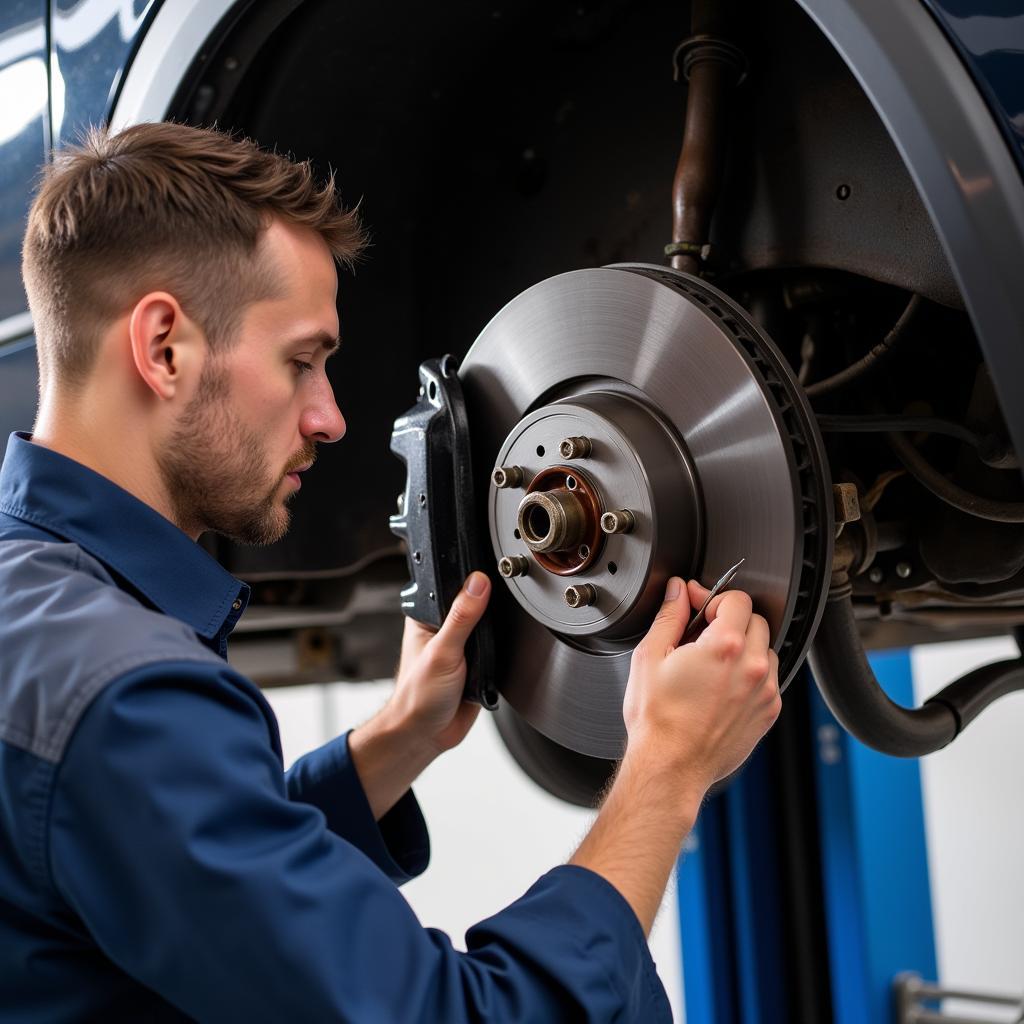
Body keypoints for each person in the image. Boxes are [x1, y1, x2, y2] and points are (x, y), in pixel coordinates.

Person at [0, 122, 781, 1022]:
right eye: (302, 362)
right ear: (164, 346)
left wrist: (395, 741)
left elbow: (160, 879)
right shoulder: (123, 698)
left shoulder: (50, 627)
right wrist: (667, 771)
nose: (330, 418)